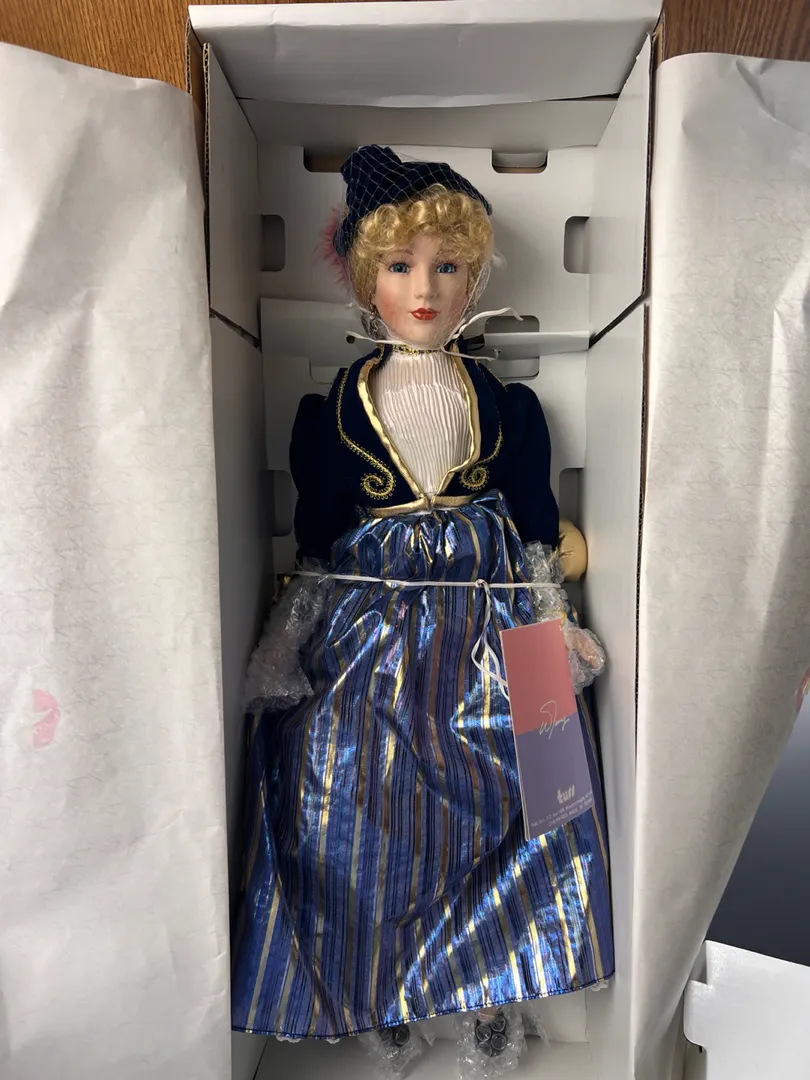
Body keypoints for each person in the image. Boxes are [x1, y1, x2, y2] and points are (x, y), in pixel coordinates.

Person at [231, 146, 613, 1068]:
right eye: (401, 266)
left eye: (447, 266)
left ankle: (491, 984)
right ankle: (374, 982)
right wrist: (288, 638)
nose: (425, 288)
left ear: (473, 276)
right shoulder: (334, 410)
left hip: (489, 622)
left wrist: (553, 619)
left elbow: (533, 527)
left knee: (527, 788)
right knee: (346, 794)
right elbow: (319, 541)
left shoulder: (507, 407)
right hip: (370, 629)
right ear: (367, 278)